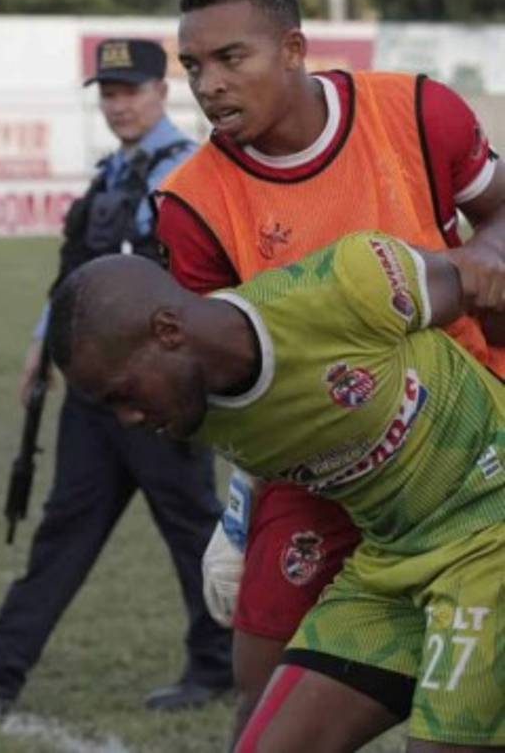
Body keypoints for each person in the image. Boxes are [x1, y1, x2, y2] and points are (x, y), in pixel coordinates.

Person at [157, 0, 505, 737]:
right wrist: (244, 504)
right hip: (324, 456)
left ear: (293, 48)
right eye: (193, 66)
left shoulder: (416, 111)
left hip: (469, 440)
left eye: (229, 58)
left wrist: (486, 260)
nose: (207, 84)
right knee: (260, 681)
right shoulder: (192, 203)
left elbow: (500, 214)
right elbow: (229, 372)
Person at [47, 230, 505, 752]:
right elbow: (276, 429)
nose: (126, 418)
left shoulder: (345, 286)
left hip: (490, 529)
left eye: (123, 395)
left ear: (168, 330)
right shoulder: (185, 409)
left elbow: (485, 280)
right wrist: (237, 525)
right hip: (392, 563)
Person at [0, 37, 232, 713]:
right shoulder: (114, 173)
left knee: (193, 528)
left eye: (129, 90)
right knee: (67, 526)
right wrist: (42, 345)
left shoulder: (189, 170)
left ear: (159, 91)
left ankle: (220, 662)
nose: (118, 105)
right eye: (108, 93)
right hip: (97, 388)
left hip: (158, 391)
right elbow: (77, 277)